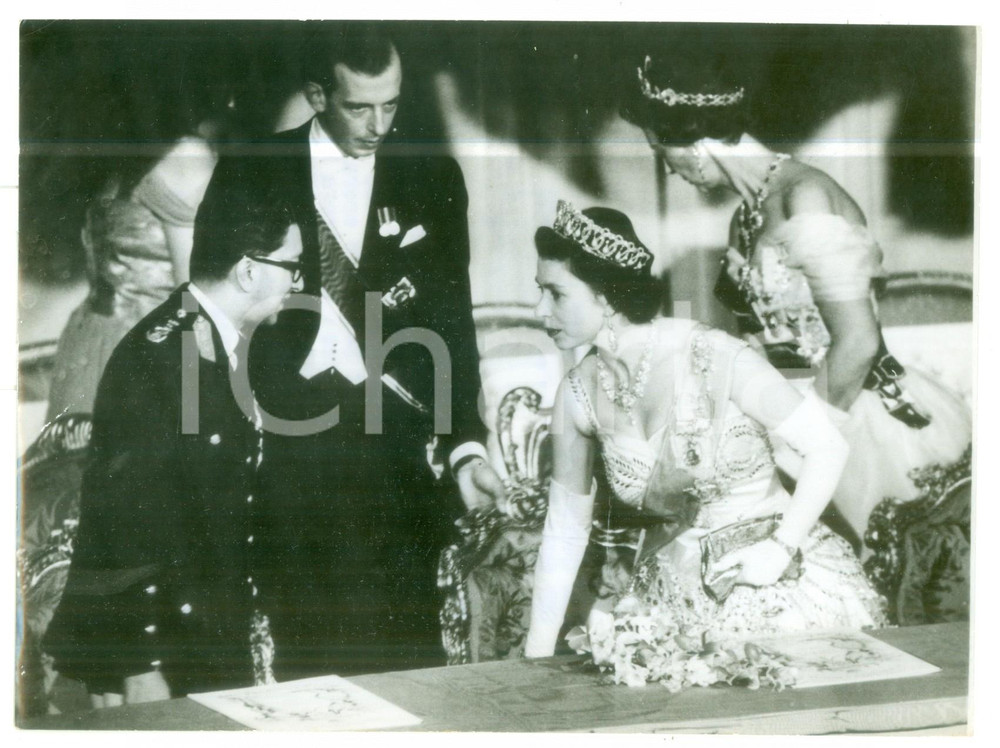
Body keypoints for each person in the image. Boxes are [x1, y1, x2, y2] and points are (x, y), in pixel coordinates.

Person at [207, 22, 503, 677]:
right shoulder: (250, 171)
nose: (379, 123)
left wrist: (464, 443)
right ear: (317, 95)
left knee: (409, 668)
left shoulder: (432, 176)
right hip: (288, 458)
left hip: (393, 459)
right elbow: (216, 317)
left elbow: (452, 321)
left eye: (391, 104)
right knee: (312, 673)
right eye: (359, 107)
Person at [618, 52, 972, 554]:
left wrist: (796, 441)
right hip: (787, 417)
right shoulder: (743, 219)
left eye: (664, 154)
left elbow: (858, 341)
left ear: (694, 142)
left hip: (851, 414)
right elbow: (753, 342)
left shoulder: (804, 198)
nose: (671, 172)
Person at [523, 202, 887, 658]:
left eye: (555, 294)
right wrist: (535, 653)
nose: (540, 310)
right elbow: (563, 532)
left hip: (776, 583)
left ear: (605, 295)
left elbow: (828, 446)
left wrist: (779, 549)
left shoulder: (712, 353)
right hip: (670, 604)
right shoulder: (575, 395)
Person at [43, 172, 304, 705]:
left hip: (221, 640)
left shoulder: (227, 339)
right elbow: (123, 522)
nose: (299, 284)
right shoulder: (155, 360)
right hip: (172, 657)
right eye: (292, 268)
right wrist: (141, 664)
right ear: (249, 271)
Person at [45, 85, 233, 420]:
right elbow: (194, 300)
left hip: (94, 341)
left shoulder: (115, 156)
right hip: (148, 357)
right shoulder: (184, 156)